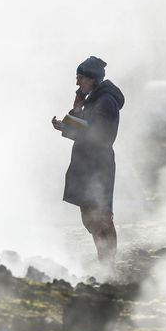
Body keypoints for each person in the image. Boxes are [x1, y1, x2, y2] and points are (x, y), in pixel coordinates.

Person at [52, 56, 125, 273]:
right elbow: (84, 126)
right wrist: (75, 109)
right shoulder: (93, 99)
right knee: (90, 217)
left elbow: (95, 131)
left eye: (81, 78)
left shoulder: (105, 101)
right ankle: (105, 261)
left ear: (92, 79)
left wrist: (68, 125)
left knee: (101, 217)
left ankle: (108, 266)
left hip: (98, 165)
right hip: (87, 163)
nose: (77, 83)